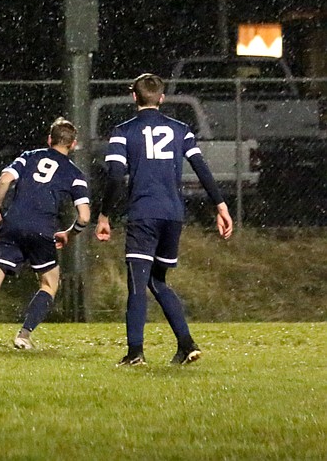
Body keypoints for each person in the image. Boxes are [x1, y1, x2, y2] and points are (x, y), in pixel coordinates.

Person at [96, 73, 234, 366]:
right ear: (161, 98)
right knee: (157, 281)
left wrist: (104, 213)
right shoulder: (180, 130)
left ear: (134, 96)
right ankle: (186, 344)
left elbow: (116, 177)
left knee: (137, 283)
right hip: (173, 215)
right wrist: (220, 205)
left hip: (144, 213)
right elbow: (201, 167)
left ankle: (135, 353)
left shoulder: (123, 131)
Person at [0, 117, 91, 351]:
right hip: (42, 229)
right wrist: (71, 234)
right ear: (73, 145)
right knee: (49, 284)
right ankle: (23, 335)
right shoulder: (74, 172)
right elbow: (84, 216)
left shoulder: (29, 156)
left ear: (49, 139)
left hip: (13, 224)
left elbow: (4, 180)